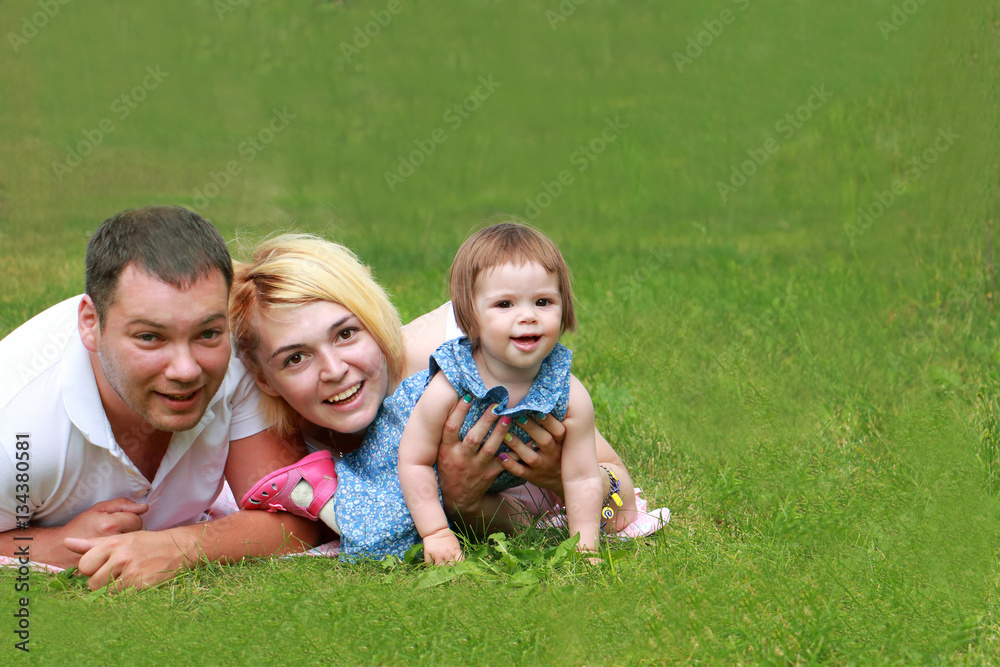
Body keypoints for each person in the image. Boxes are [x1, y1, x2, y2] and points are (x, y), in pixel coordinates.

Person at [229, 229, 642, 561]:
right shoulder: (275, 433)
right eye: (296, 358)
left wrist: (557, 478)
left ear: (374, 317)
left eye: (346, 333)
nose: (334, 371)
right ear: (263, 377)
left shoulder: (471, 360)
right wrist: (459, 505)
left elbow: (622, 496)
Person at [0, 206, 320, 591]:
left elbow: (298, 514)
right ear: (90, 323)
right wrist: (55, 545)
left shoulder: (238, 353)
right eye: (150, 337)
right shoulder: (16, 428)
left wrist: (176, 548)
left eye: (207, 334)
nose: (186, 370)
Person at [398, 222, 621, 562]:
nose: (528, 316)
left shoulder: (568, 392)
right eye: (505, 304)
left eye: (543, 301)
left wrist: (585, 547)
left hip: (502, 484)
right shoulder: (452, 382)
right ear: (469, 314)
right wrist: (436, 532)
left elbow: (581, 477)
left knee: (537, 512)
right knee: (388, 528)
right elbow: (414, 460)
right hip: (400, 473)